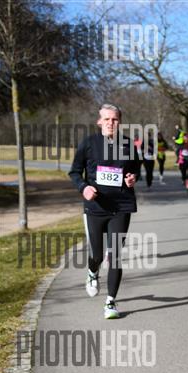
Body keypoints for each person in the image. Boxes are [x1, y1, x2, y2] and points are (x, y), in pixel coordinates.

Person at [68, 103, 141, 319]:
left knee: (115, 255)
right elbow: (74, 172)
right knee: (97, 254)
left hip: (121, 206)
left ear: (120, 122)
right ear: (99, 121)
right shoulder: (89, 143)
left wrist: (132, 178)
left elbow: (135, 169)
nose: (111, 123)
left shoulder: (127, 144)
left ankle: (110, 301)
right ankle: (92, 272)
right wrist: (84, 188)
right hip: (96, 207)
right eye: (107, 119)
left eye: (115, 119)